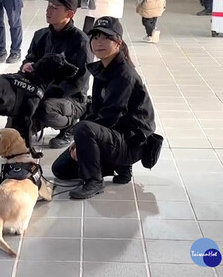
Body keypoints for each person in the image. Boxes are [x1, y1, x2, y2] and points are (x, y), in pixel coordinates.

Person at [51, 16, 156, 199]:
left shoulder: (124, 75)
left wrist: (82, 136)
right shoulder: (102, 68)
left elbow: (110, 116)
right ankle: (119, 168)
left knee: (83, 127)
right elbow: (96, 111)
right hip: (116, 136)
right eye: (95, 37)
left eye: (105, 38)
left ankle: (94, 181)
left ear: (118, 43)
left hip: (132, 143)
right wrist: (80, 144)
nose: (99, 43)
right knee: (61, 169)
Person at [21, 0, 93, 149]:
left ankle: (71, 126)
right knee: (17, 124)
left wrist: (45, 95)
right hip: (42, 93)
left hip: (72, 98)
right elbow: (30, 58)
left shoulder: (81, 42)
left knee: (46, 109)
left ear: (70, 14)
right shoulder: (41, 35)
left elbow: (79, 82)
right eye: (49, 5)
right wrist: (27, 65)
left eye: (55, 7)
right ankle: (34, 122)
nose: (48, 10)